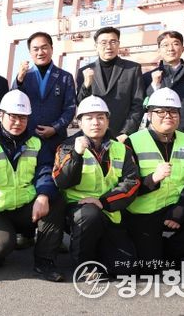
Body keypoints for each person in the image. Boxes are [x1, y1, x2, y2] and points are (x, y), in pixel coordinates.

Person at [0, 90, 66, 282]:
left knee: (55, 200)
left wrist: (43, 195)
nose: (18, 122)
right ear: (1, 115)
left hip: (25, 206)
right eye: (13, 117)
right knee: (0, 246)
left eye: (23, 118)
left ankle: (44, 262)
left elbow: (45, 170)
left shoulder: (35, 142)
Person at [123, 88, 184, 273]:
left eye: (173, 111)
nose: (168, 116)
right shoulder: (132, 142)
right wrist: (152, 179)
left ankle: (169, 251)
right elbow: (126, 186)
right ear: (149, 115)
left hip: (176, 205)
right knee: (150, 268)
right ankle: (156, 252)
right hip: (143, 211)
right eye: (160, 111)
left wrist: (180, 210)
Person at [52, 96, 140, 277]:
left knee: (126, 268)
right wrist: (76, 155)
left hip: (109, 210)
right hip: (78, 211)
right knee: (89, 214)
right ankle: (83, 266)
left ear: (108, 120)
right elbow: (62, 181)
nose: (95, 123)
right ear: (79, 122)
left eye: (100, 117)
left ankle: (99, 252)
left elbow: (132, 183)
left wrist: (103, 202)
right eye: (89, 118)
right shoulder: (66, 147)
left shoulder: (121, 149)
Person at [76, 26, 144, 142]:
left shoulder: (132, 69)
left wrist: (126, 132)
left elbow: (138, 103)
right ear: (96, 46)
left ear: (118, 44)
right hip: (93, 135)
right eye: (103, 43)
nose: (108, 46)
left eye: (113, 42)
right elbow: (81, 104)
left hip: (122, 135)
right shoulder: (85, 71)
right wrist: (86, 85)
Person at [14, 31, 76, 157]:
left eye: (44, 47)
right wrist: (19, 80)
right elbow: (13, 103)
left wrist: (55, 128)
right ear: (30, 52)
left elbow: (70, 108)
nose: (40, 52)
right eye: (35, 49)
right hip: (28, 138)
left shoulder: (65, 77)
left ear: (51, 49)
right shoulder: (24, 77)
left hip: (56, 140)